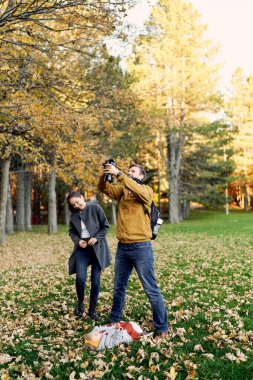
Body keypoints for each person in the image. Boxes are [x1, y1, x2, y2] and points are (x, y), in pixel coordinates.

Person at [97, 163, 168, 339]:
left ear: (141, 176)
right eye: (128, 171)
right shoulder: (123, 191)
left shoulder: (146, 190)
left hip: (141, 247)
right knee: (119, 286)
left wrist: (120, 174)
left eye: (133, 171)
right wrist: (106, 174)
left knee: (151, 289)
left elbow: (139, 191)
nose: (129, 173)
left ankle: (162, 328)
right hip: (123, 247)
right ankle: (114, 320)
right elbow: (103, 188)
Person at [67, 191, 112, 319]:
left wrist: (97, 238)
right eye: (73, 204)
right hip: (82, 248)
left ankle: (92, 308)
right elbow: (71, 232)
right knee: (80, 279)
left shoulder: (95, 207)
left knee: (95, 280)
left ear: (82, 197)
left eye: (77, 201)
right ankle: (80, 303)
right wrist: (78, 241)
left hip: (97, 247)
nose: (76, 205)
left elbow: (105, 226)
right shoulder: (74, 215)